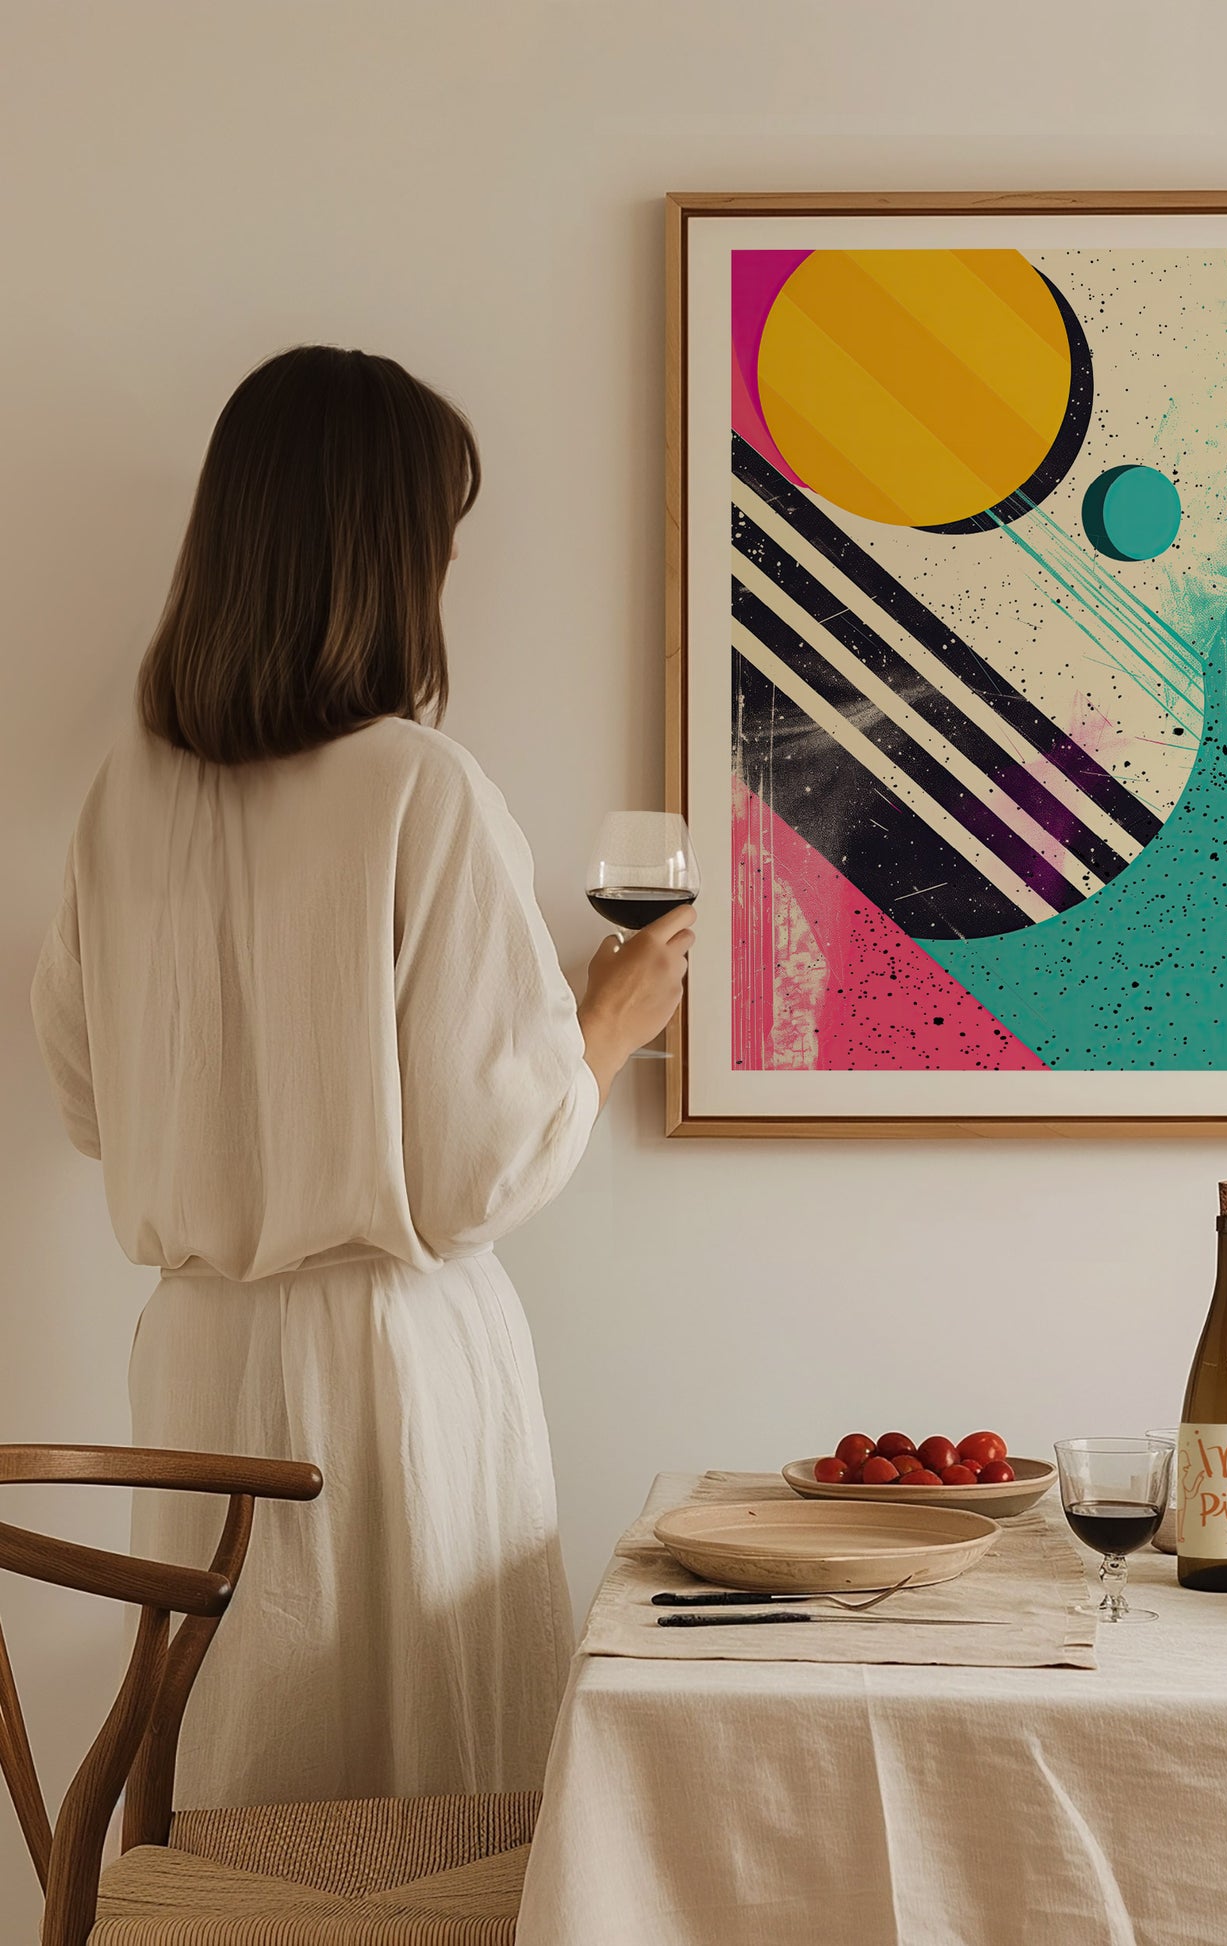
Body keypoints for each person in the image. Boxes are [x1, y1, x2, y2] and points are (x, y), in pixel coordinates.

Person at [29, 345, 690, 1806]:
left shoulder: (122, 797)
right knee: (423, 1809)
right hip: (390, 1371)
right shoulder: (417, 785)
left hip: (198, 1360)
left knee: (241, 1789)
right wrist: (607, 1018)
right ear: (388, 556)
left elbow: (87, 1100)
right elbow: (474, 1173)